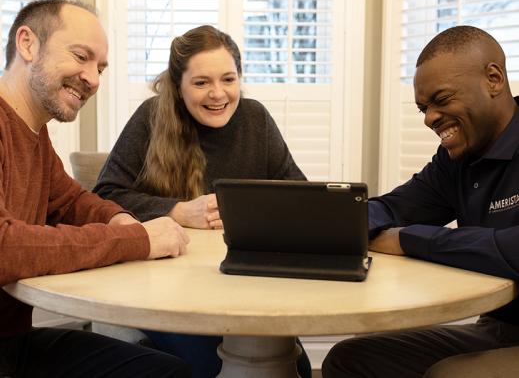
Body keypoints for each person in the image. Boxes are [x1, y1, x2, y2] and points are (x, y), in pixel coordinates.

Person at [94, 25, 312, 378]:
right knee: (215, 365)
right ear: (178, 87)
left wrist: (254, 213)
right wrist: (177, 211)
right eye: (201, 83)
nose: (218, 94)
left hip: (239, 285)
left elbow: (299, 197)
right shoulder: (150, 118)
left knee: (296, 365)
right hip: (163, 288)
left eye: (228, 79)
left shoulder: (255, 119)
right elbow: (104, 195)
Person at [0, 0, 191, 378]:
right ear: (27, 44)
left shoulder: (35, 136)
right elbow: (4, 247)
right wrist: (137, 240)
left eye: (100, 67)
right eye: (80, 56)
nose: (93, 79)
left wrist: (119, 219)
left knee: (168, 372)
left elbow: (71, 200)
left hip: (13, 342)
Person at [322, 25, 519, 378]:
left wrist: (408, 239)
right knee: (349, 359)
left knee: (450, 375)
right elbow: (397, 207)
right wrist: (333, 222)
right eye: (423, 108)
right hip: (498, 328)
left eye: (441, 101)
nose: (429, 118)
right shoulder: (458, 157)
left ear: (494, 79)